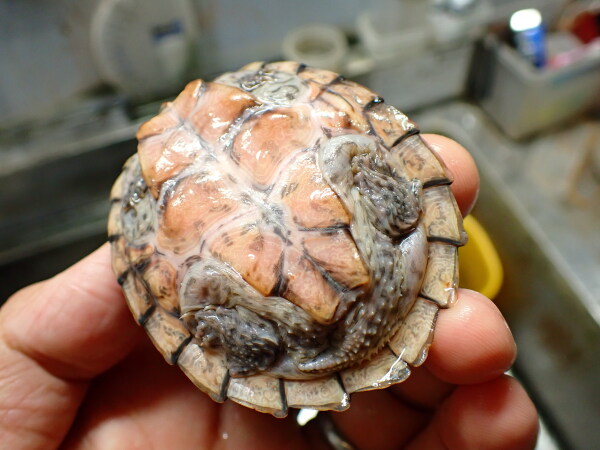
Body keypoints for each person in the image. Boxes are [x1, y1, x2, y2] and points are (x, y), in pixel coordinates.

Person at [0, 135, 539, 449]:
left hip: (305, 338)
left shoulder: (142, 208)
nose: (324, 301)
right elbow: (365, 160)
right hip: (378, 279)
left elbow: (179, 294)